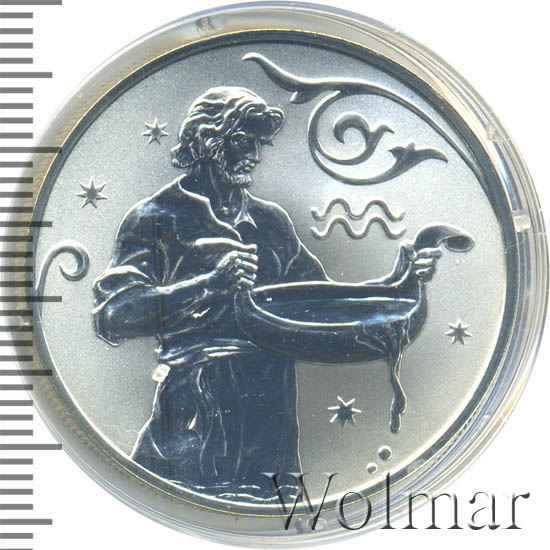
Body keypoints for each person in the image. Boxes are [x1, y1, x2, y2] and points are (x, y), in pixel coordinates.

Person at [92, 87, 327, 500]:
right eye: (243, 141)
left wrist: (402, 284)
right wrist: (210, 285)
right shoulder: (155, 217)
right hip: (193, 421)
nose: (255, 155)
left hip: (270, 429)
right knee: (167, 515)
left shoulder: (271, 221)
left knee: (273, 521)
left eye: (259, 143)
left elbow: (320, 304)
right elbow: (114, 315)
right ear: (207, 140)